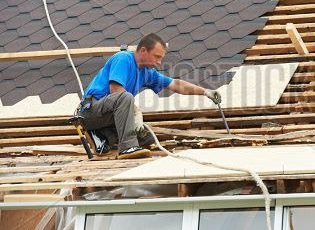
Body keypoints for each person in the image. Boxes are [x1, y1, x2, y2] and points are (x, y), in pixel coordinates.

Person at [77, 33, 221, 159]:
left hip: (107, 116)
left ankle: (102, 136)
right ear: (143, 51)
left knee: (146, 137)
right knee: (126, 98)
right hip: (90, 112)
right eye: (157, 57)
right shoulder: (123, 58)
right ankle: (127, 148)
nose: (159, 62)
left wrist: (205, 92)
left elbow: (176, 84)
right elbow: (116, 90)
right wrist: (136, 112)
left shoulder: (147, 72)